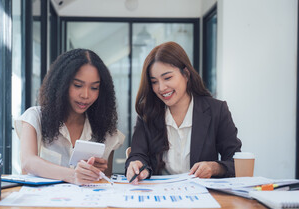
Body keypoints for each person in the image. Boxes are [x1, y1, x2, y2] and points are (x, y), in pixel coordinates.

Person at [125, 41, 241, 184]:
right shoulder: (147, 113)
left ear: (186, 74)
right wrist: (137, 166)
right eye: (154, 82)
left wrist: (214, 167)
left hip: (203, 198)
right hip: (160, 197)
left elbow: (236, 162)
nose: (161, 88)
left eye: (167, 78)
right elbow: (138, 155)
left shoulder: (217, 110)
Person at [15, 48, 125, 185]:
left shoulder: (107, 133)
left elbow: (104, 184)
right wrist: (73, 175)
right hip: (42, 205)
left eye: (94, 88)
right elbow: (28, 162)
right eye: (78, 85)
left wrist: (94, 173)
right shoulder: (35, 117)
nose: (85, 95)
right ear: (61, 84)